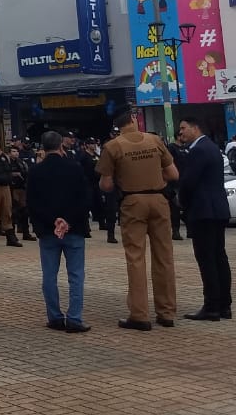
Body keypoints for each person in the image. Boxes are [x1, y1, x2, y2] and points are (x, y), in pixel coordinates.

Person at [98, 105, 179, 331]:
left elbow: (106, 184)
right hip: (159, 201)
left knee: (136, 258)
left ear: (117, 126)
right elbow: (173, 174)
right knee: (164, 257)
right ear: (133, 119)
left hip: (132, 202)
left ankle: (140, 314)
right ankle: (166, 312)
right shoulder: (154, 140)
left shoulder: (112, 146)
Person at [27, 131, 93, 333]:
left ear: (43, 147)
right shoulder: (74, 168)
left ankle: (55, 317)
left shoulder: (35, 171)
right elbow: (84, 198)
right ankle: (74, 318)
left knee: (49, 275)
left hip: (48, 231)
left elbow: (32, 203)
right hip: (73, 229)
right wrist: (67, 221)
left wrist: (52, 221)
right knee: (76, 275)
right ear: (61, 146)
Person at [177, 117, 232, 321]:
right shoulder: (212, 147)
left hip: (203, 211)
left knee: (207, 259)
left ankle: (212, 306)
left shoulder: (198, 150)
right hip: (217, 209)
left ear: (195, 128)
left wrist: (182, 203)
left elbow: (188, 182)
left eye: (183, 128)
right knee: (219, 257)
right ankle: (224, 305)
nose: (181, 132)